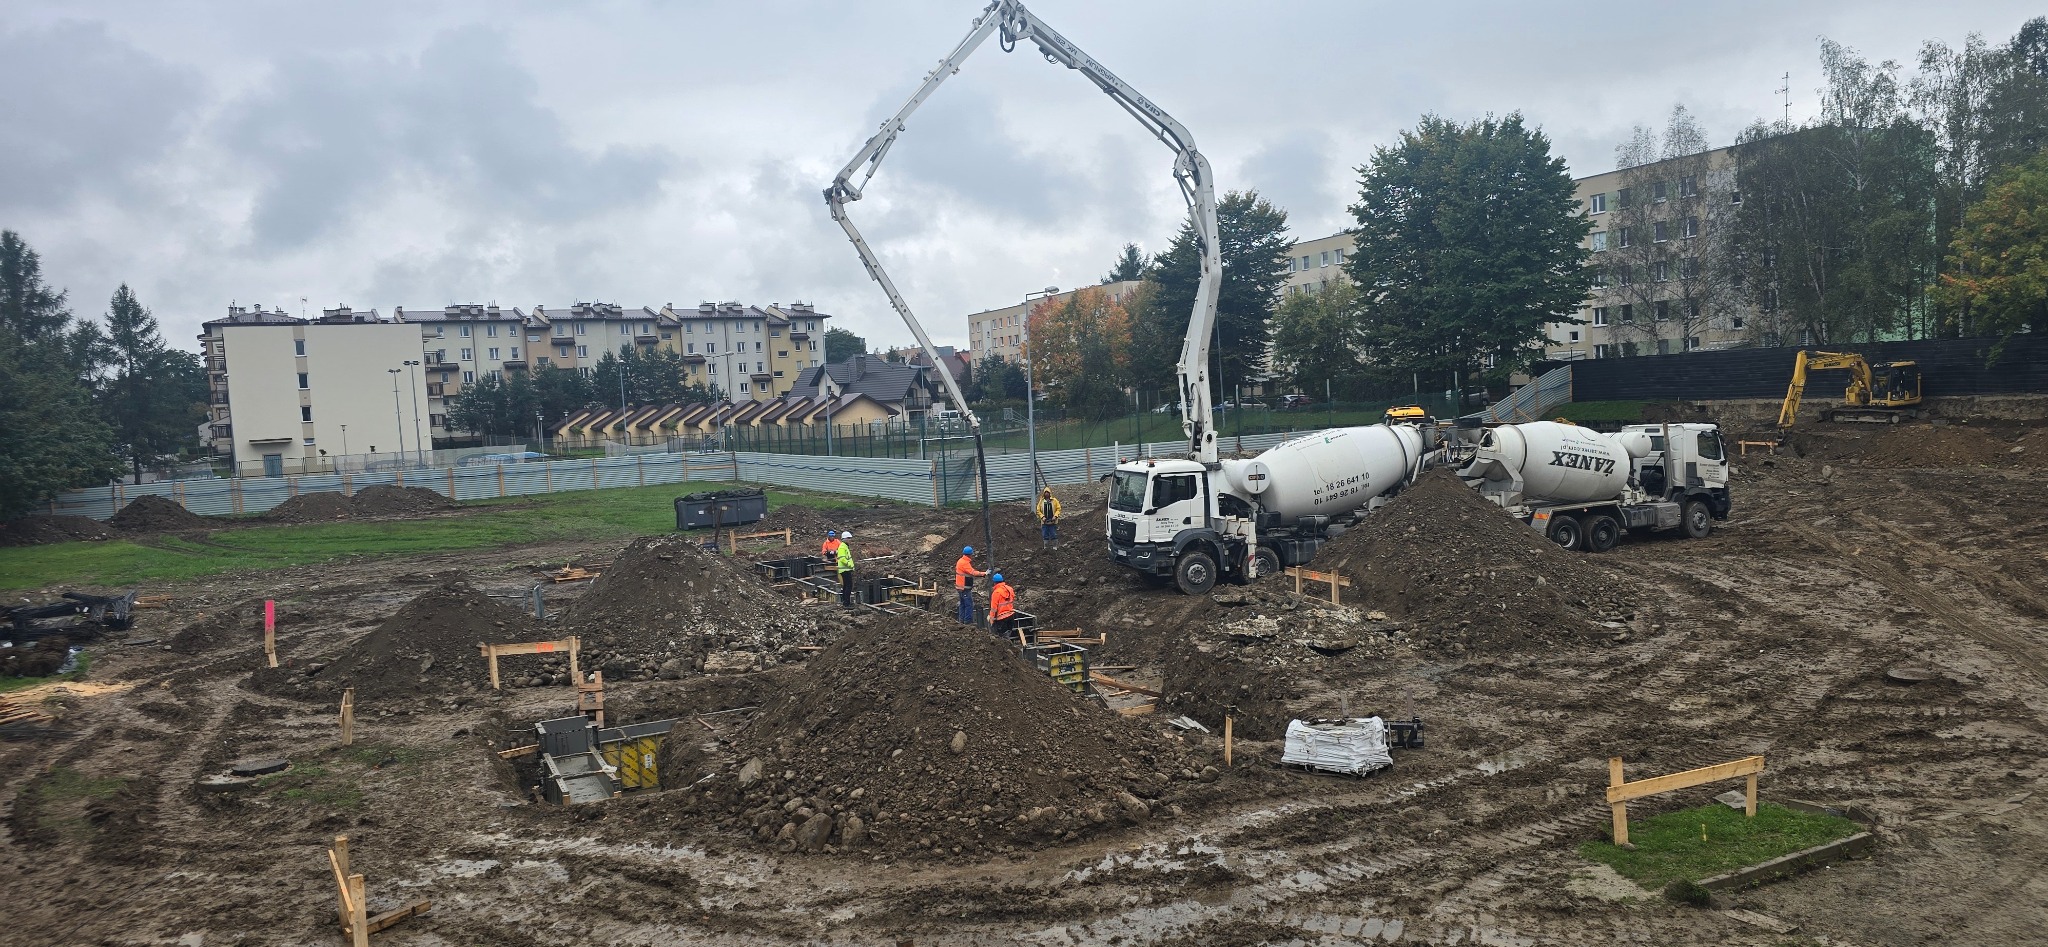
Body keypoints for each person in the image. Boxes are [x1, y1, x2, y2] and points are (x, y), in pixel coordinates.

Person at [954, 546, 989, 625]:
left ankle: (961, 621)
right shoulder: (965, 563)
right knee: (969, 605)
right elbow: (973, 572)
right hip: (964, 588)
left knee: (962, 604)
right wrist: (984, 573)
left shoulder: (960, 560)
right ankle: (968, 622)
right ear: (970, 554)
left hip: (960, 587)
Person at [989, 572, 1017, 641]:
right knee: (1008, 635)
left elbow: (993, 609)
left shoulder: (996, 592)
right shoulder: (1009, 589)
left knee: (1003, 639)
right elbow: (1012, 599)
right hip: (1011, 616)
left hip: (1002, 619)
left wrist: (992, 620)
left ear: (994, 582)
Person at [835, 530, 856, 607]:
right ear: (845, 538)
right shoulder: (842, 547)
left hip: (846, 569)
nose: (850, 540)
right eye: (849, 538)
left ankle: (845, 602)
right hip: (845, 569)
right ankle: (846, 603)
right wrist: (850, 565)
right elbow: (842, 559)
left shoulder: (844, 547)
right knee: (848, 586)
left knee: (846, 585)